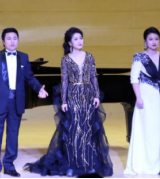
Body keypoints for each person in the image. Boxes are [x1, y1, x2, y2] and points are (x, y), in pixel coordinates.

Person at [25, 28, 113, 178]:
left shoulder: (89, 56)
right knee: (74, 131)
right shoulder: (65, 59)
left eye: (81, 38)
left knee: (88, 129)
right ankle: (74, 164)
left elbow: (94, 76)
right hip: (73, 95)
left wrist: (96, 95)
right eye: (76, 39)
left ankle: (88, 163)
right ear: (70, 43)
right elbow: (64, 81)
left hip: (88, 94)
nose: (80, 41)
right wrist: (64, 100)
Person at [0, 28, 48, 179]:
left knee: (13, 136)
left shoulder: (24, 57)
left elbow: (30, 77)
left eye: (15, 38)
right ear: (3, 41)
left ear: (18, 40)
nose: (12, 41)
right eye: (9, 38)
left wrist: (39, 88)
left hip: (16, 102)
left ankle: (9, 166)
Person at [124, 27, 160, 177]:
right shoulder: (139, 57)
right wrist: (138, 97)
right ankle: (145, 163)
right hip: (145, 97)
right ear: (144, 41)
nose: (154, 42)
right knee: (147, 129)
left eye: (156, 39)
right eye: (150, 39)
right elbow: (134, 78)